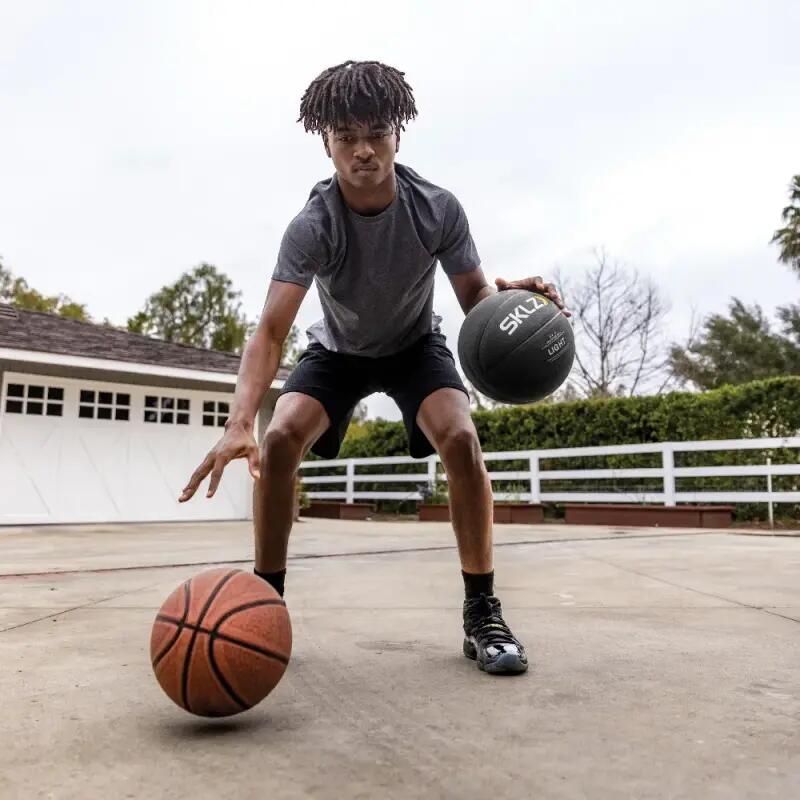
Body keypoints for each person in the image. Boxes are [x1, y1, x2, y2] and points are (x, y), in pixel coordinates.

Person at [179, 60, 566, 675]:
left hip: (416, 345)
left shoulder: (436, 209)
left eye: (377, 134)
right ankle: (268, 604)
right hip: (337, 352)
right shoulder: (313, 225)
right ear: (325, 143)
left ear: (398, 135)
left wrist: (508, 301)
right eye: (346, 138)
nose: (363, 150)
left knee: (461, 437)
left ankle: (481, 611)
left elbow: (473, 301)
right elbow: (272, 330)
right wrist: (239, 421)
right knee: (280, 439)